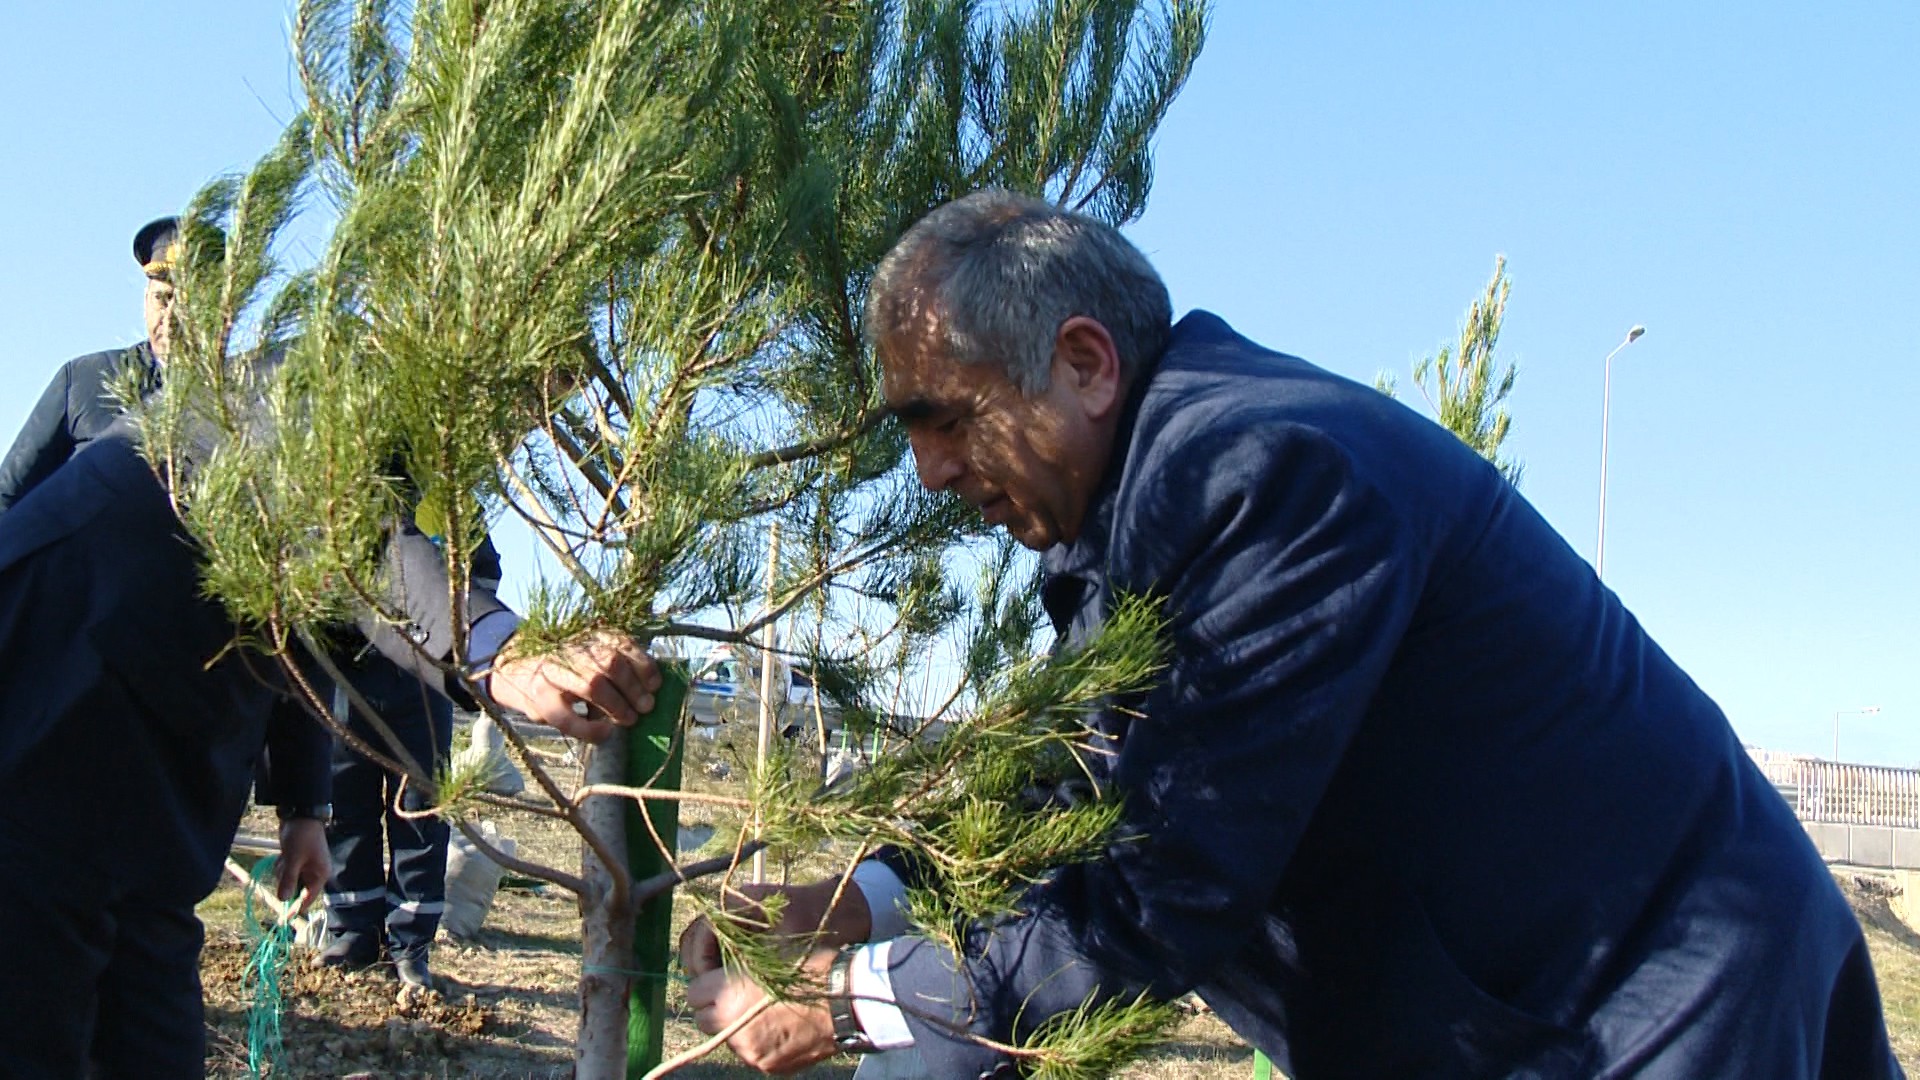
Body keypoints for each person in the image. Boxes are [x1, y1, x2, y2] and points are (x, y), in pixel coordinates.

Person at [680, 190, 1905, 1079]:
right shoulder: (1145, 505)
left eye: (944, 418)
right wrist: (862, 896)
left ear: (1086, 361)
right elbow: (1083, 776)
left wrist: (853, 1005)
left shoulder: (1263, 473)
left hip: (1657, 1006)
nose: (930, 472)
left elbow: (1172, 877)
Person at [0, 220, 660, 1078]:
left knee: (151, 1037)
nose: (531, 412)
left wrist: (304, 810)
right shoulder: (316, 383)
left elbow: (305, 630)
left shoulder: (416, 457)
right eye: (531, 380)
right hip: (58, 691)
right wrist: (502, 652)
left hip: (158, 786)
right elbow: (364, 553)